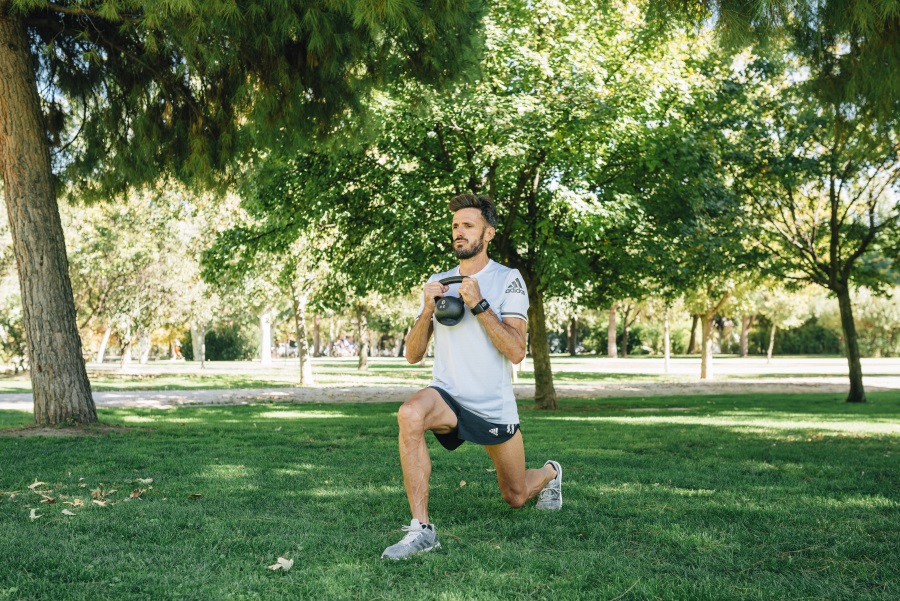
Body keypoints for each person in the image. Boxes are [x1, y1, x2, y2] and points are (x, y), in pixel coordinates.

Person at [381, 193, 562, 560]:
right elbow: (413, 355)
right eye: (454, 226)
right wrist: (426, 311)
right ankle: (422, 530)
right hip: (447, 396)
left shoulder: (508, 280)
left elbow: (516, 350)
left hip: (492, 406)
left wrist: (479, 304)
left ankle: (550, 474)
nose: (458, 232)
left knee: (514, 496)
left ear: (488, 233)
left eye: (467, 225)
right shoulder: (438, 281)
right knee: (410, 413)